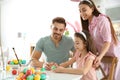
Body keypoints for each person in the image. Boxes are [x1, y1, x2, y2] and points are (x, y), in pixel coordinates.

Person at [78, 0, 120, 80]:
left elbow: (107, 41)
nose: (82, 13)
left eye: (84, 10)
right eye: (80, 11)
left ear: (92, 8)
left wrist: (99, 57)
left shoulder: (102, 20)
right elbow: (92, 43)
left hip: (113, 53)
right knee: (107, 76)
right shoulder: (88, 24)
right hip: (104, 55)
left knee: (115, 76)